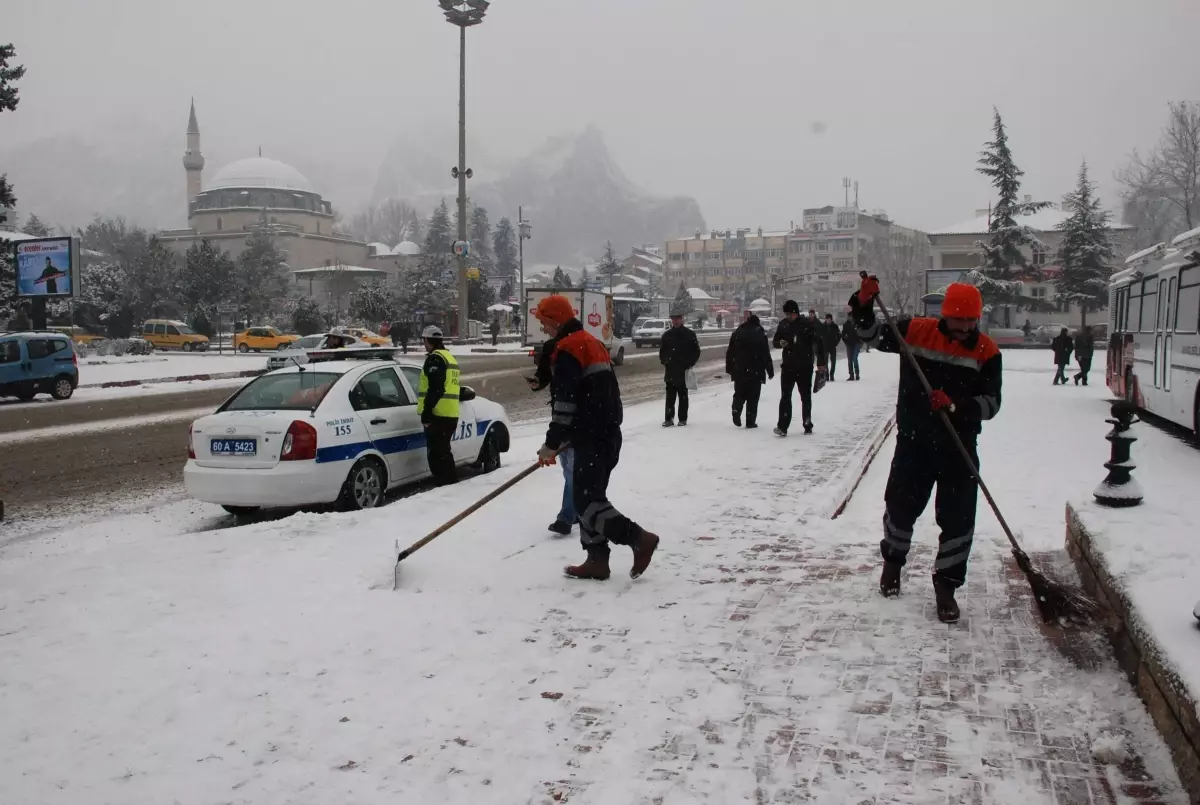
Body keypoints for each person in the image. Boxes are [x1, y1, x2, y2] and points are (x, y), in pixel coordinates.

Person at [849, 277, 1002, 624]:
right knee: (900, 508)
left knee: (958, 518)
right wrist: (863, 302)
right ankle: (892, 565)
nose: (964, 327)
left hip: (959, 446)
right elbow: (870, 334)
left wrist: (958, 406)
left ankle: (946, 587)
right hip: (915, 442)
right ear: (945, 316)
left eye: (970, 320)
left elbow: (992, 403)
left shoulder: (987, 352)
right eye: (958, 319)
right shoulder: (916, 331)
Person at [533, 294, 660, 581]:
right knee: (587, 499)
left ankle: (639, 538)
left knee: (588, 503)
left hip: (594, 436)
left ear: (555, 320)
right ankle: (596, 560)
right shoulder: (590, 342)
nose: (544, 329)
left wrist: (551, 445)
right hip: (604, 432)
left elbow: (565, 404)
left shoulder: (569, 348)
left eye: (544, 323)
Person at [528, 332, 577, 534]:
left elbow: (572, 393)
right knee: (569, 470)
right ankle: (577, 510)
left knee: (574, 472)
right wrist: (538, 382)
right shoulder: (551, 348)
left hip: (576, 419)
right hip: (561, 418)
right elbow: (544, 375)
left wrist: (551, 443)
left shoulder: (573, 349)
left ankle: (566, 517)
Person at [772, 300, 827, 436]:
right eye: (786, 314)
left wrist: (821, 362)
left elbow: (819, 342)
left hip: (804, 367)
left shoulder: (806, 325)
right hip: (788, 366)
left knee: (805, 397)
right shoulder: (783, 324)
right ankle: (782, 426)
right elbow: (775, 341)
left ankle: (807, 423)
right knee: (785, 396)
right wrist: (780, 343)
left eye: (790, 314)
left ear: (796, 313)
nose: (788, 316)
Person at [417, 325, 460, 486]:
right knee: (443, 453)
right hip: (450, 414)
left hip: (438, 415)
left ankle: (446, 486)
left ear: (428, 341)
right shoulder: (449, 357)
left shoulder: (435, 359)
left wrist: (427, 413)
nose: (424, 344)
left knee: (437, 456)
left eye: (424, 340)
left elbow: (436, 388)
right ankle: (449, 484)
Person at [726, 312, 774, 428]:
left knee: (739, 393)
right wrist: (770, 370)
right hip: (755, 370)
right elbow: (765, 354)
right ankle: (750, 421)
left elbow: (730, 352)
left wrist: (730, 368)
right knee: (753, 397)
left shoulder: (737, 332)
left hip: (739, 369)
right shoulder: (760, 334)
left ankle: (736, 409)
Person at [659, 312, 701, 427]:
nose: (676, 321)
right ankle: (669, 418)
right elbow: (662, 352)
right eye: (674, 319)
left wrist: (689, 363)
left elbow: (696, 351)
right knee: (670, 397)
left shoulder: (689, 334)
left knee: (683, 396)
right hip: (671, 371)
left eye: (678, 319)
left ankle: (682, 419)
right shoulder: (667, 335)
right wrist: (665, 361)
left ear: (682, 319)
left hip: (684, 370)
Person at [820, 313, 841, 382]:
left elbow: (839, 335)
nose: (828, 320)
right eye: (827, 319)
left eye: (829, 319)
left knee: (833, 361)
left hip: (832, 346)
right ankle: (827, 375)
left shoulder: (835, 326)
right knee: (825, 362)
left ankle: (832, 374)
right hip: (825, 346)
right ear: (825, 319)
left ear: (831, 319)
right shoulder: (823, 326)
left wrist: (836, 342)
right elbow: (820, 336)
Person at [841, 313, 861, 381]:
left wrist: (860, 342)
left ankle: (857, 373)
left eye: (851, 317)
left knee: (854, 358)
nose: (850, 318)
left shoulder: (857, 324)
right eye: (849, 317)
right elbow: (843, 335)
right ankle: (851, 375)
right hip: (849, 344)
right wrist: (846, 342)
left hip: (857, 343)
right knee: (850, 360)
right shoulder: (845, 325)